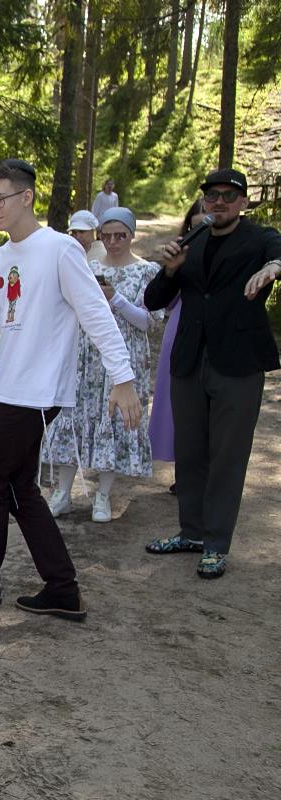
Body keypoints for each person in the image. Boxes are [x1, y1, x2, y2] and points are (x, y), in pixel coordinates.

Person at [0, 158, 140, 622]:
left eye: (1, 199)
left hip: (39, 393)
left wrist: (123, 378)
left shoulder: (60, 249)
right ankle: (61, 588)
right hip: (9, 389)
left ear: (27, 197)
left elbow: (95, 312)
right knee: (18, 487)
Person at [143, 168, 281, 579]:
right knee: (190, 451)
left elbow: (278, 251)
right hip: (189, 361)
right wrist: (170, 269)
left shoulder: (259, 238)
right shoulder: (193, 238)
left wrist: (273, 267)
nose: (218, 202)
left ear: (242, 202)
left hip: (238, 364)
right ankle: (192, 533)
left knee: (227, 456)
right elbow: (153, 299)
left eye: (227, 196)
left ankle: (216, 544)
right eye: (211, 197)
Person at [42, 207, 161, 522]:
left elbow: (148, 322)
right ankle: (63, 492)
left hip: (124, 358)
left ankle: (103, 496)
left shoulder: (146, 271)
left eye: (119, 234)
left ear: (131, 234)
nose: (112, 241)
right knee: (73, 416)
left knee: (114, 421)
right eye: (105, 235)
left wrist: (115, 298)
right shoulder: (87, 266)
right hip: (84, 356)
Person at [147, 199, 204, 493]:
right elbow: (159, 298)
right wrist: (171, 271)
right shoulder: (178, 252)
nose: (204, 220)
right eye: (197, 217)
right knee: (177, 405)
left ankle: (206, 475)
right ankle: (184, 474)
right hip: (180, 327)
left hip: (213, 335)